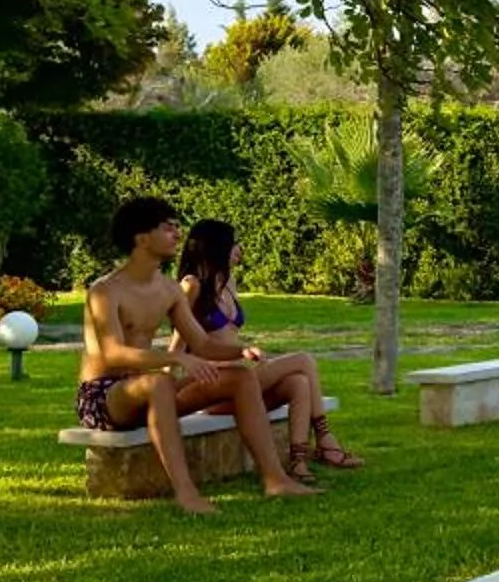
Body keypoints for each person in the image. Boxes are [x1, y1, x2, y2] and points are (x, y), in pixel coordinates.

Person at [76, 197, 317, 513]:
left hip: (148, 392)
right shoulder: (106, 290)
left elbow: (202, 344)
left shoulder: (169, 290)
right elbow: (111, 354)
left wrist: (239, 350)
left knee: (241, 377)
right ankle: (187, 494)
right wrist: (174, 359)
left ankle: (275, 479)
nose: (178, 234)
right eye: (168, 228)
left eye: (177, 227)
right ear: (141, 238)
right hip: (104, 398)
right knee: (159, 383)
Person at [177, 218, 362, 473]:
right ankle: (326, 441)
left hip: (242, 383)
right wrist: (165, 393)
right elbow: (177, 346)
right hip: (214, 387)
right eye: (233, 244)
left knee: (299, 382)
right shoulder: (192, 285)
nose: (239, 249)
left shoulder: (228, 281)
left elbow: (228, 336)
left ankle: (298, 461)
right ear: (216, 246)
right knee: (304, 360)